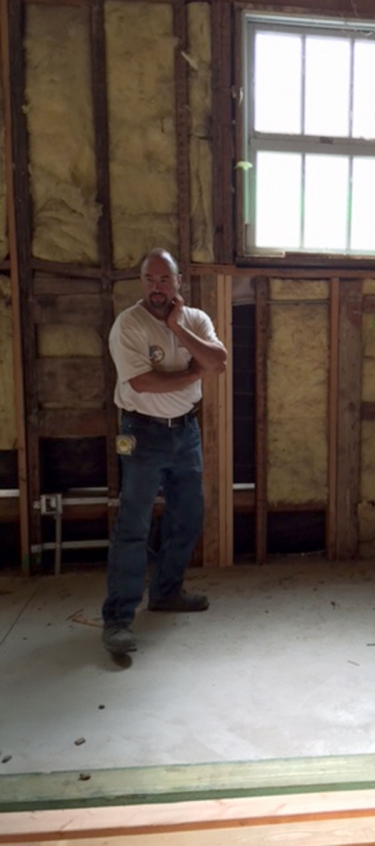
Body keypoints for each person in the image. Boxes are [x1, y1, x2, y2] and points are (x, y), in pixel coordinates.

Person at [102, 248, 228, 654]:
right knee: (133, 526)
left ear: (178, 282)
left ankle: (166, 593)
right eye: (150, 280)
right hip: (140, 433)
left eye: (164, 280)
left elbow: (219, 362)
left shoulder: (196, 319)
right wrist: (194, 372)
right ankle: (119, 618)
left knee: (188, 516)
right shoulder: (129, 325)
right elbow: (143, 383)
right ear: (142, 282)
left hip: (185, 431)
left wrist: (179, 330)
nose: (157, 288)